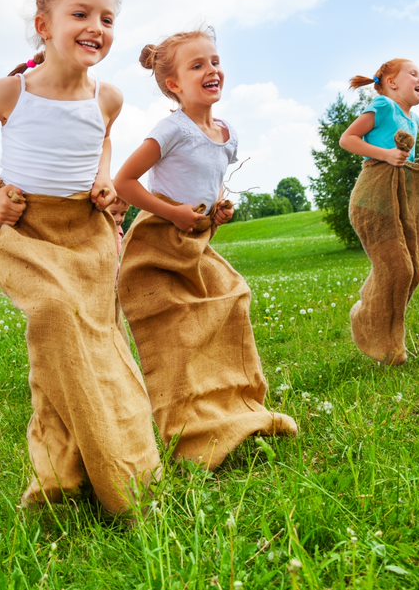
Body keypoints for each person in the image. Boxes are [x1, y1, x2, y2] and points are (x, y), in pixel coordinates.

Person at [0, 0, 160, 514]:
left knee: (94, 344)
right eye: (80, 14)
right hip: (24, 229)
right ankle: (77, 469)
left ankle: (91, 469)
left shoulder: (108, 98)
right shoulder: (11, 92)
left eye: (107, 19)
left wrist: (103, 179)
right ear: (44, 25)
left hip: (85, 234)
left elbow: (103, 141)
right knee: (54, 312)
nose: (96, 28)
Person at [114, 29, 298, 471]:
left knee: (232, 300)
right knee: (179, 333)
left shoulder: (226, 134)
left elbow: (209, 182)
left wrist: (218, 209)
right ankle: (190, 434)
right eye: (197, 65)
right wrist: (173, 212)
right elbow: (125, 182)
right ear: (174, 84)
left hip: (195, 239)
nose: (211, 70)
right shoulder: (171, 130)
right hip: (158, 242)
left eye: (214, 61)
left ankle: (240, 412)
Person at [339, 59, 419, 365]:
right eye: (413, 74)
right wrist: (386, 154)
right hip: (372, 201)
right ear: (392, 83)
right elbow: (347, 139)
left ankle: (372, 319)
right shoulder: (383, 106)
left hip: (397, 200)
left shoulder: (413, 120)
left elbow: (402, 163)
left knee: (413, 272)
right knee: (399, 269)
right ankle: (388, 345)